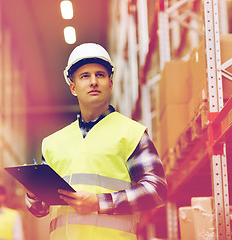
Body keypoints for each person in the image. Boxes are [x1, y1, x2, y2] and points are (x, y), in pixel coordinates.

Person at [25, 43, 168, 240]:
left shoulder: (131, 133)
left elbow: (156, 190)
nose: (93, 81)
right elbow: (41, 209)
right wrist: (33, 194)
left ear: (110, 84)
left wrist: (100, 202)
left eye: (100, 75)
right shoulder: (52, 144)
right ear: (73, 87)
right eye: (85, 76)